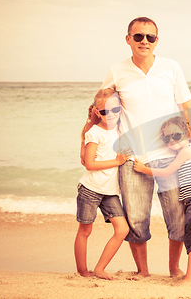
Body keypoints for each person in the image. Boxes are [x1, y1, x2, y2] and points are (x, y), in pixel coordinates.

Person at [80, 17, 191, 279]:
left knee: (177, 217)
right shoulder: (117, 70)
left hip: (168, 154)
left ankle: (173, 268)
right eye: (138, 37)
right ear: (128, 39)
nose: (144, 41)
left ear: (157, 40)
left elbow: (187, 107)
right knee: (136, 218)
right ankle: (143, 270)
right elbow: (98, 106)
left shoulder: (171, 67)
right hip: (130, 156)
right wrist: (86, 140)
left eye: (150, 37)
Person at [133, 116, 191, 284]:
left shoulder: (186, 151)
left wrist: (144, 169)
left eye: (176, 136)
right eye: (166, 138)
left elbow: (166, 172)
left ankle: (190, 277)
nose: (171, 140)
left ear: (187, 133)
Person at [75, 89, 130, 280]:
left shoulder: (120, 129)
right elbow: (90, 164)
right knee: (85, 230)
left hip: (110, 192)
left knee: (122, 229)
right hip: (90, 189)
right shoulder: (94, 133)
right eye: (105, 112)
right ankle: (82, 271)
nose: (112, 114)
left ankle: (99, 269)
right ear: (98, 112)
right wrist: (117, 161)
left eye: (115, 109)